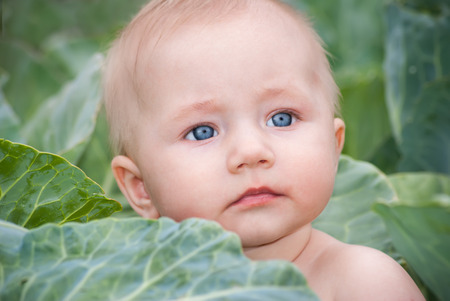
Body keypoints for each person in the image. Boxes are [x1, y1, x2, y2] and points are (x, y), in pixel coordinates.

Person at [102, 0, 424, 299]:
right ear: (140, 187)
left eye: (281, 118)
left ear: (333, 147)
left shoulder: (362, 283)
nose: (251, 151)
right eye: (202, 131)